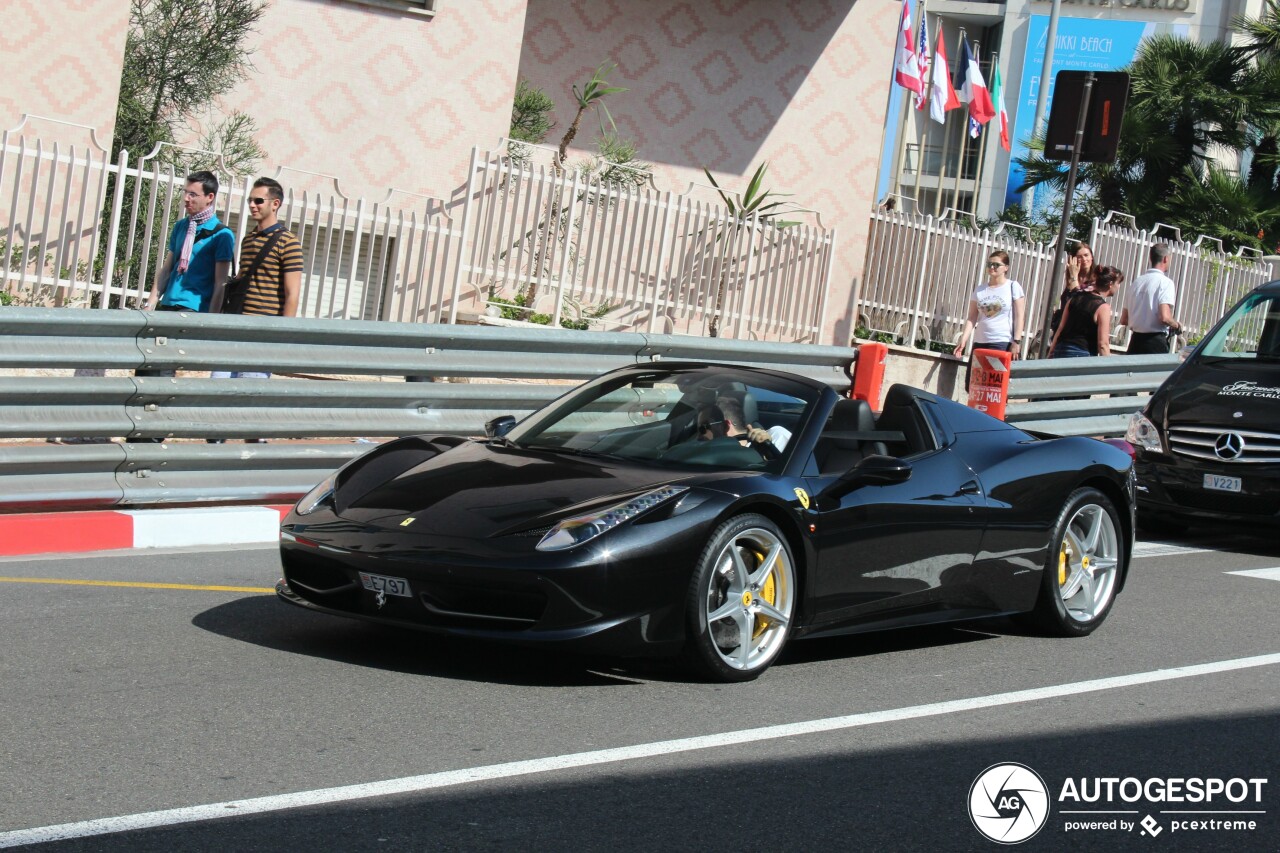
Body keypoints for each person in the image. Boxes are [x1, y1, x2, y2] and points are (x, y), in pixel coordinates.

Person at [209, 177, 304, 442]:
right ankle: (215, 443)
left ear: (275, 204)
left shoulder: (288, 242)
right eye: (250, 200)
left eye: (258, 200)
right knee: (216, 388)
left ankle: (255, 447)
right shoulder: (249, 239)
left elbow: (292, 293)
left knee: (250, 392)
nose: (252, 205)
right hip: (236, 324)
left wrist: (283, 334)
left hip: (263, 329)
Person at [144, 171, 235, 314]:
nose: (186, 198)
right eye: (185, 192)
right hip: (168, 303)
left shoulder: (222, 234)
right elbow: (167, 269)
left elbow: (220, 283)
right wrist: (149, 305)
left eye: (192, 194)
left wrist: (211, 320)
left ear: (209, 197)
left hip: (194, 309)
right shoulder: (181, 226)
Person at [953, 250, 1026, 389]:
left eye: (996, 264)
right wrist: (964, 338)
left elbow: (1020, 315)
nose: (992, 267)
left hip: (1001, 342)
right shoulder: (981, 289)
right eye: (989, 264)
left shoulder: (1012, 286)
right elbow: (972, 316)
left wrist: (1016, 341)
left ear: (1006, 267)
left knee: (994, 387)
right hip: (980, 341)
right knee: (973, 385)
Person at [1118, 242, 1181, 354]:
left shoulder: (1136, 282)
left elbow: (1124, 319)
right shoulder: (1165, 283)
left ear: (1150, 258)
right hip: (1155, 343)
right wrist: (1176, 325)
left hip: (1135, 342)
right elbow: (1165, 317)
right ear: (1166, 259)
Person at [1049, 265, 1124, 358]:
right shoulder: (1103, 308)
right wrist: (1108, 368)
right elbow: (1103, 344)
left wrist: (1051, 351)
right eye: (1118, 283)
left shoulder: (1075, 297)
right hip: (1081, 354)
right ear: (1110, 284)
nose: (1119, 287)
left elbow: (1061, 327)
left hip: (1061, 349)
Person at [1049, 242, 1097, 336]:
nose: (1084, 259)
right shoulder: (1071, 278)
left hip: (1082, 331)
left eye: (1086, 255)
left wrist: (1074, 277)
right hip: (1065, 330)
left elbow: (1080, 301)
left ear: (1091, 257)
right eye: (1079, 257)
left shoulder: (1096, 280)